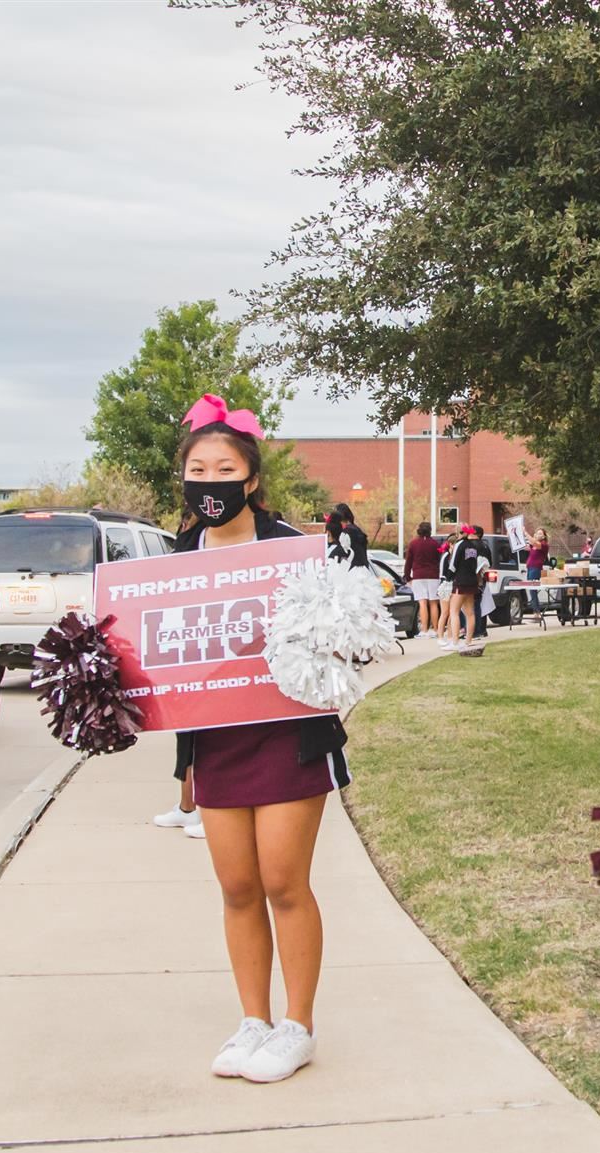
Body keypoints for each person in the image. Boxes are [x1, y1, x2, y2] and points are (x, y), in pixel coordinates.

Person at [169, 393, 348, 1084]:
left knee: (282, 879)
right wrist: (181, 760)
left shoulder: (291, 550)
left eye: (224, 468)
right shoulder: (179, 555)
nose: (209, 480)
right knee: (237, 885)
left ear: (250, 479)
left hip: (288, 737)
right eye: (197, 467)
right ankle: (254, 1019)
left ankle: (297, 1025)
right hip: (217, 743)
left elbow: (338, 640)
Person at [448, 525, 485, 655]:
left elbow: (453, 563)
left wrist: (448, 578)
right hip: (471, 581)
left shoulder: (460, 545)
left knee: (454, 611)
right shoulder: (473, 546)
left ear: (459, 533)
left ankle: (455, 641)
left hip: (460, 581)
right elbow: (474, 563)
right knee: (470, 612)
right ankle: (468, 640)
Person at [405, 521, 445, 636]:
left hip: (418, 576)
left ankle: (424, 630)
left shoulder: (413, 544)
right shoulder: (435, 544)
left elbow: (408, 562)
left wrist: (408, 577)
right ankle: (436, 629)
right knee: (433, 602)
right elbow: (439, 559)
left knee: (422, 602)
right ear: (430, 530)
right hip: (433, 575)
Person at [324, 501, 370, 568]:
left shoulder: (347, 533)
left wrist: (330, 559)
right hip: (363, 571)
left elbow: (339, 551)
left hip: (353, 573)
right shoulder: (357, 531)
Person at [524, 527, 549, 613]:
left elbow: (534, 542)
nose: (538, 535)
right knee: (532, 590)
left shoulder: (544, 545)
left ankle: (536, 611)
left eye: (540, 533)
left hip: (536, 569)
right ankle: (536, 610)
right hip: (530, 568)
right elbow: (524, 546)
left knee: (532, 589)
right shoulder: (533, 546)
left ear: (544, 536)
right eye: (537, 533)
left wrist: (525, 532)